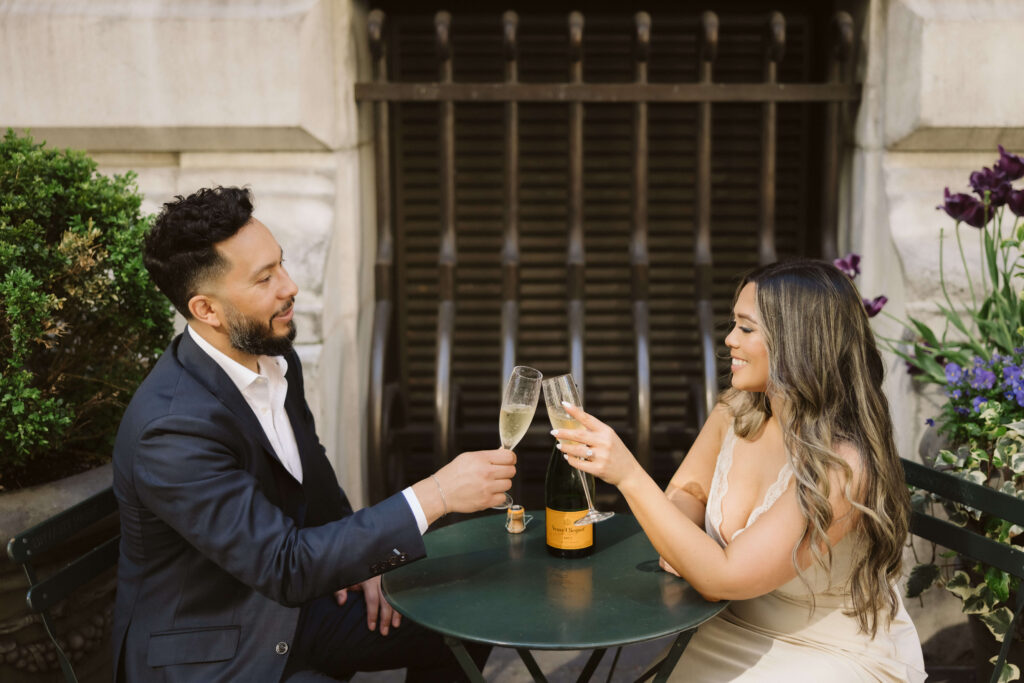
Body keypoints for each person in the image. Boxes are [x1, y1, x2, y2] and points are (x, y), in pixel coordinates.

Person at [111, 186, 515, 682]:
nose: (290, 286)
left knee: (474, 608)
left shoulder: (274, 355)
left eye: (280, 264)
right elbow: (284, 565)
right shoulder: (172, 431)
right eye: (265, 279)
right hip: (218, 650)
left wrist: (369, 565)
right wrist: (436, 494)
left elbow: (317, 484)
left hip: (291, 605)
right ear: (206, 310)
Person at [553, 259, 926, 681]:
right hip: (726, 628)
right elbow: (688, 494)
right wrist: (679, 542)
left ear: (798, 341)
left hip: (826, 652)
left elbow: (722, 578)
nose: (729, 339)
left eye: (746, 328)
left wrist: (627, 475)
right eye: (734, 324)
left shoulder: (841, 466)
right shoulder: (738, 411)